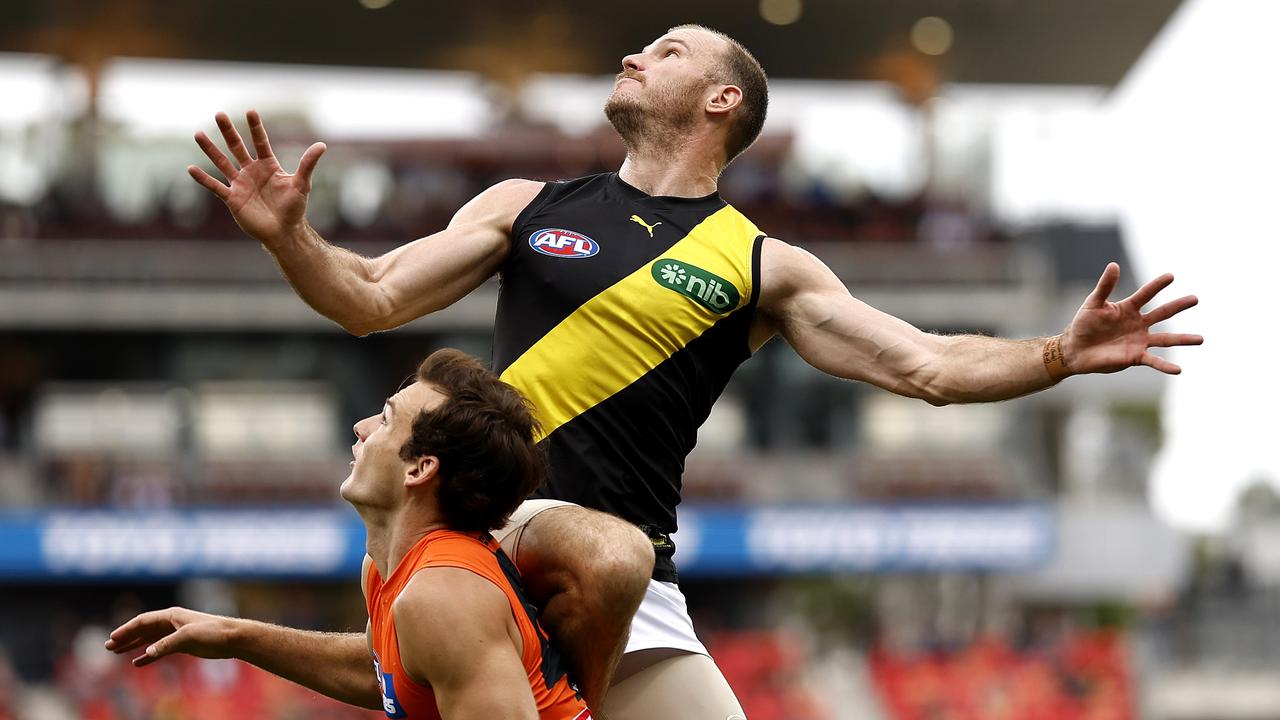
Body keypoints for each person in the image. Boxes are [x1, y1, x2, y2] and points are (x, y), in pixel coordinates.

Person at [186, 23, 1203, 718]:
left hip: (630, 596)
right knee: (599, 554)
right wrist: (289, 240)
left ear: (719, 99)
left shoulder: (763, 264)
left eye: (663, 50)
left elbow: (927, 366)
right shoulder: (523, 206)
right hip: (496, 534)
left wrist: (1056, 355)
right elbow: (366, 296)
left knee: (617, 562)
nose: (633, 53)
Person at [105, 348, 650, 719]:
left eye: (386, 420)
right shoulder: (392, 570)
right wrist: (234, 636)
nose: (361, 428)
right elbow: (384, 676)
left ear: (420, 469)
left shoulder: (442, 594)